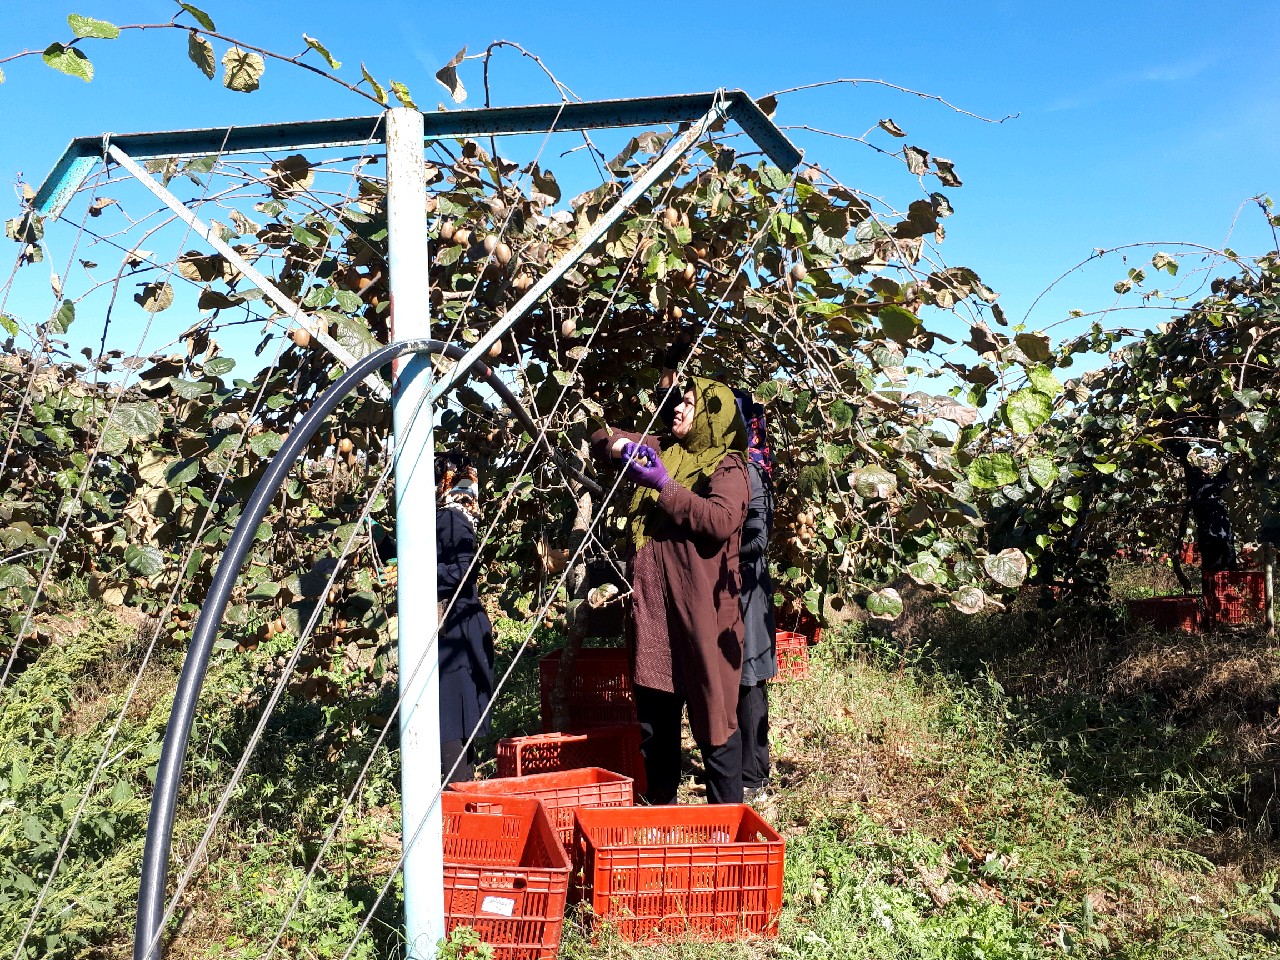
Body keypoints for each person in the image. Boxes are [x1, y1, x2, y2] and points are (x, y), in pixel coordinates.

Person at [591, 376, 750, 805]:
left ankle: (725, 828)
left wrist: (665, 486)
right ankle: (661, 815)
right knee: (656, 728)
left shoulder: (728, 465)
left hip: (703, 621)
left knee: (714, 725)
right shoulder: (665, 448)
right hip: (655, 617)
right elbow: (599, 435)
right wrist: (622, 449)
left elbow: (719, 520)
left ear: (712, 418)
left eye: (690, 404)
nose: (678, 409)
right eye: (678, 402)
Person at [434, 454, 495, 783]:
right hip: (460, 624)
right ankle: (461, 791)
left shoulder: (451, 518)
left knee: (451, 717)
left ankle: (457, 795)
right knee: (454, 716)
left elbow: (461, 569)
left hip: (456, 627)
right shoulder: (455, 515)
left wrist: (414, 573)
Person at [732, 389, 777, 803]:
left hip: (747, 589)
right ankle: (745, 769)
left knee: (749, 680)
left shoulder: (749, 471)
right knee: (738, 679)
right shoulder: (732, 468)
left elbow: (758, 538)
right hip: (732, 588)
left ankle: (754, 775)